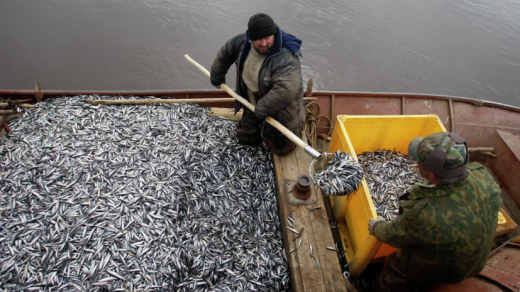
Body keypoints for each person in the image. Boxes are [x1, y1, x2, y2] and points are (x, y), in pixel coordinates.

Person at [367, 132, 502, 292]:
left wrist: (376, 227)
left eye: (418, 161)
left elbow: (394, 236)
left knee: (395, 268)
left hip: (442, 271)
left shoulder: (424, 212)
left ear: (430, 176)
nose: (416, 163)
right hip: (476, 264)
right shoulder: (484, 177)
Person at [210, 13, 305, 155]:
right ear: (250, 38)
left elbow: (285, 91)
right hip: (251, 103)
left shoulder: (286, 56)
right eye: (258, 40)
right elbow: (226, 53)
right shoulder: (242, 43)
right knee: (246, 138)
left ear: (274, 34)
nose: (264, 43)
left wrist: (260, 110)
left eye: (267, 38)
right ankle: (254, 132)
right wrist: (217, 76)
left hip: (280, 112)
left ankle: (276, 136)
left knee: (281, 149)